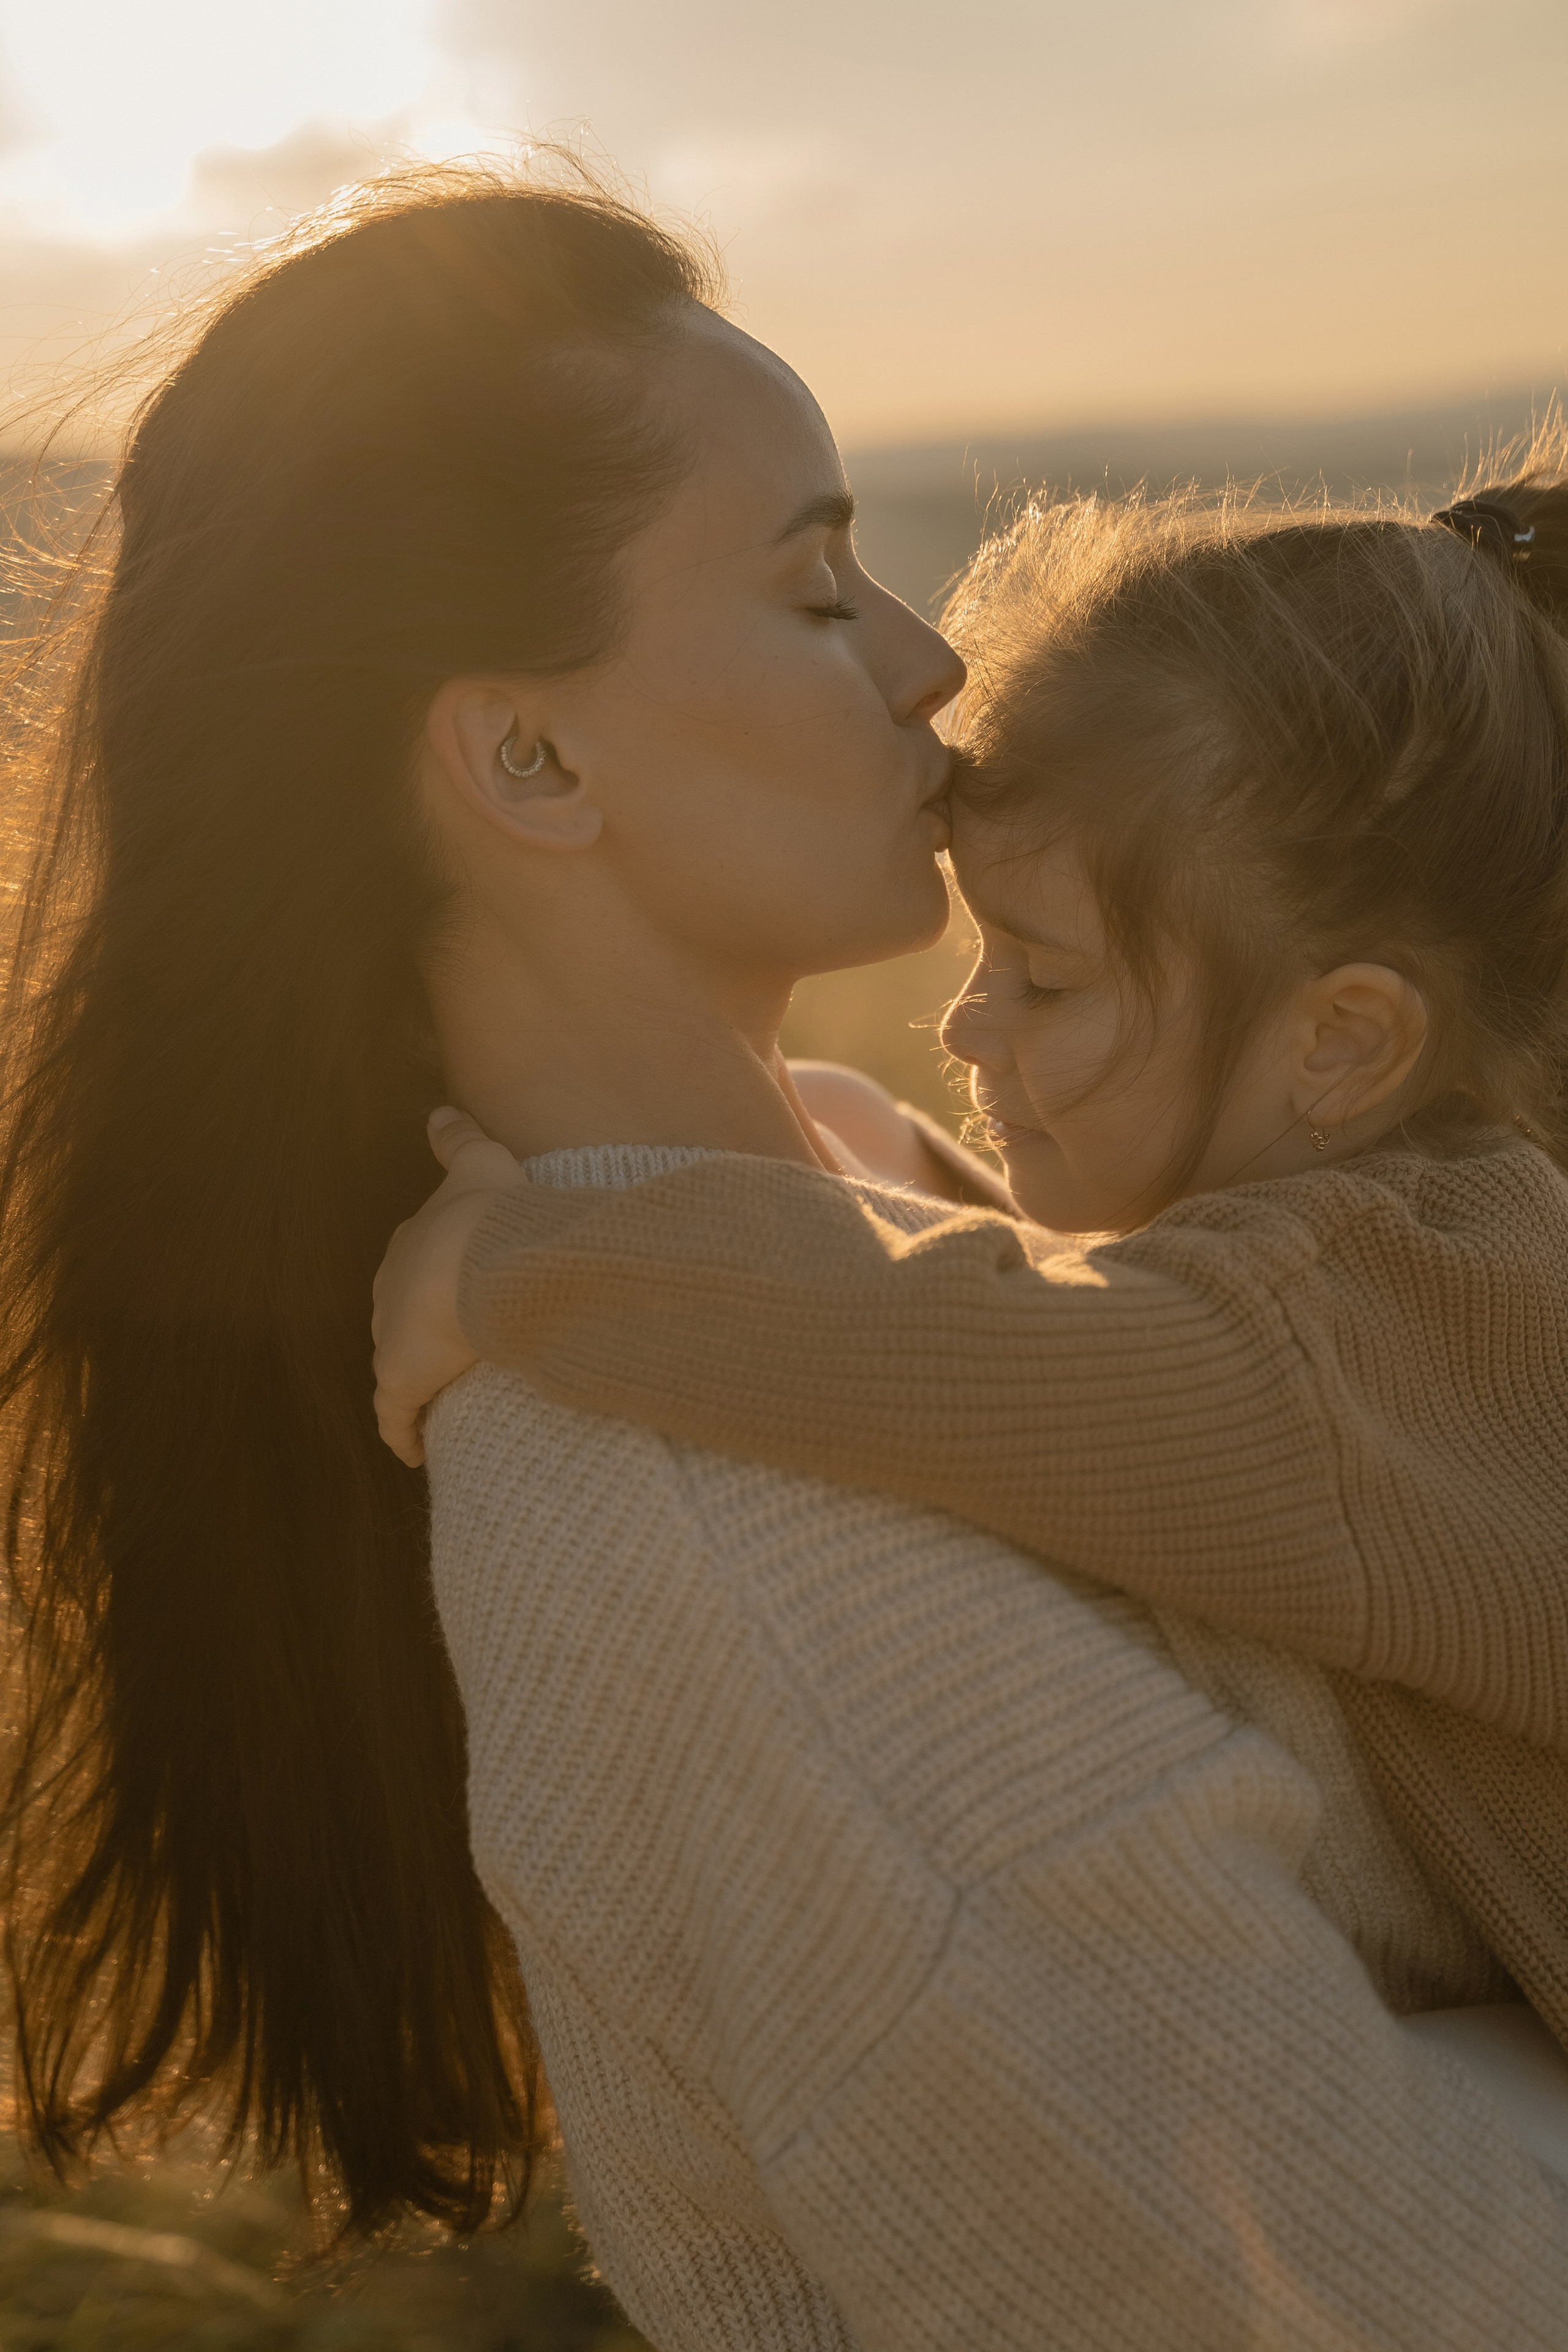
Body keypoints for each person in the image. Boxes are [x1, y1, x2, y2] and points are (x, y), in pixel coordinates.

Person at [365, 272, 1568, 2348]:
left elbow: (988, 1348)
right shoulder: (1396, 1265)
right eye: (822, 590)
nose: (925, 672)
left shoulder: (1382, 1308)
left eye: (1057, 983)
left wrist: (531, 1257)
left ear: (1349, 1042)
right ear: (528, 751)